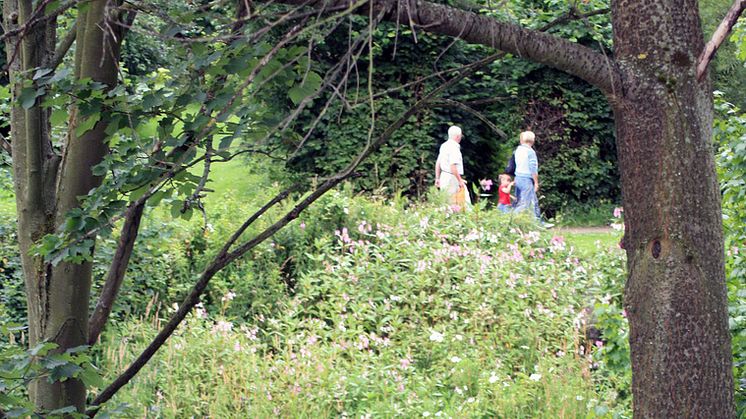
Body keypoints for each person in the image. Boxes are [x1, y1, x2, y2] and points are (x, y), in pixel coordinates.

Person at [512, 130, 546, 223]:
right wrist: (536, 182)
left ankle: (538, 221)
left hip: (518, 177)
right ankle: (510, 218)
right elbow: (533, 168)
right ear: (533, 140)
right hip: (526, 179)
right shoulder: (530, 152)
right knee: (525, 202)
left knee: (532, 200)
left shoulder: (518, 150)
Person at [435, 125, 470, 209]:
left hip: (444, 176)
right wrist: (460, 180)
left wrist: (437, 178)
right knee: (455, 203)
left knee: (445, 202)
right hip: (451, 177)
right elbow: (453, 166)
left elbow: (438, 163)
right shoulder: (454, 148)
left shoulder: (444, 146)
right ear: (458, 136)